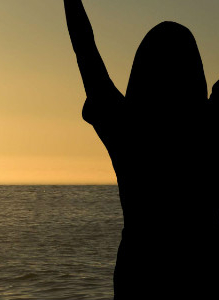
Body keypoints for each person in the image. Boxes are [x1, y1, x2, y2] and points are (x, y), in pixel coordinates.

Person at [64, 1, 219, 299]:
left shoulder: (126, 129)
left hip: (139, 276)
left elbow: (84, 47)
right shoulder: (210, 129)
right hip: (202, 272)